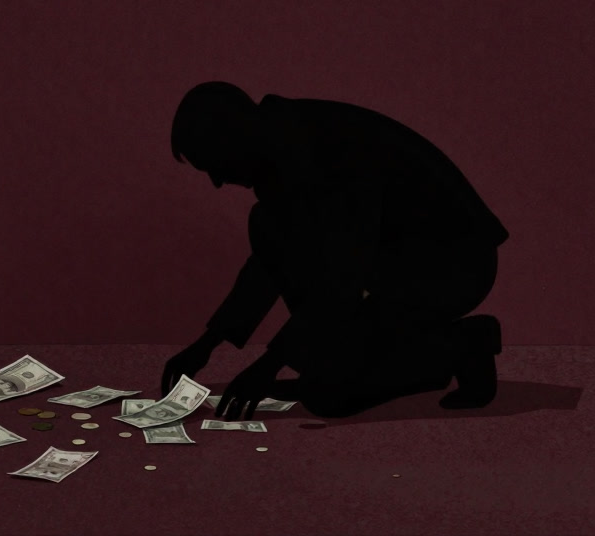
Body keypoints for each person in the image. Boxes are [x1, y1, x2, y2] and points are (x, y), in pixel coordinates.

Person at [162, 82, 508, 420]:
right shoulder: (282, 150)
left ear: (232, 138)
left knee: (327, 395)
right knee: (267, 224)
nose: (218, 182)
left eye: (213, 165)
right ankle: (345, 365)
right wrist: (207, 345)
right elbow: (270, 264)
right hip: (396, 265)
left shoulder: (328, 152)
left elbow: (341, 277)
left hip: (453, 266)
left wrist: (269, 365)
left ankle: (466, 344)